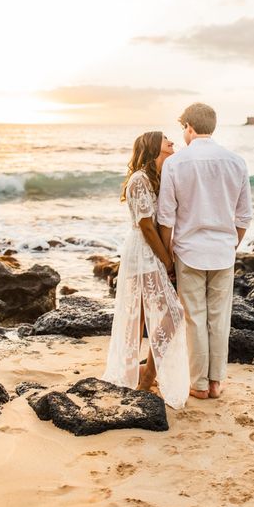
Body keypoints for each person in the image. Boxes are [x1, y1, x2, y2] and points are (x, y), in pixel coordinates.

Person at [157, 103, 253, 399]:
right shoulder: (236, 162)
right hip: (223, 251)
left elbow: (165, 218)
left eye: (182, 128)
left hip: (188, 252)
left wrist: (168, 256)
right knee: (219, 317)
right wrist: (230, 244)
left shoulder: (176, 163)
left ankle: (198, 384)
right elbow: (244, 216)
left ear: (188, 126)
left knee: (195, 317)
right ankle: (216, 382)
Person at [102, 131, 190, 410]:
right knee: (164, 314)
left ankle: (144, 376)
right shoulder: (140, 179)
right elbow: (146, 226)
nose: (172, 142)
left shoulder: (157, 178)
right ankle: (142, 377)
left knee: (149, 316)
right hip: (143, 252)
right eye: (166, 140)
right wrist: (166, 261)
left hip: (150, 252)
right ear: (153, 147)